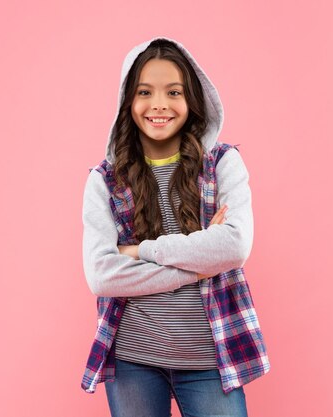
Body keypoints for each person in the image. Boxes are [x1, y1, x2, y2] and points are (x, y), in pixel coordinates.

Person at [80, 36, 271, 417]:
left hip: (209, 357)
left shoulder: (223, 164)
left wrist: (142, 251)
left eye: (174, 92)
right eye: (145, 92)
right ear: (127, 103)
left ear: (193, 101)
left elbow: (233, 248)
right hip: (134, 358)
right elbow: (102, 275)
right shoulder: (104, 180)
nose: (159, 104)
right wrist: (198, 266)